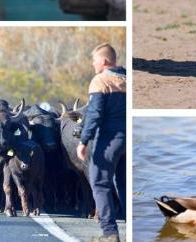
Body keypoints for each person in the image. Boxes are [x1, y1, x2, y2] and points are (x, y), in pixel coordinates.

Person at [76, 43, 127, 242]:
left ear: (104, 61)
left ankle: (110, 233)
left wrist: (83, 140)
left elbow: (95, 115)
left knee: (100, 183)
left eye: (95, 60)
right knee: (124, 184)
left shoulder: (100, 80)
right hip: (129, 138)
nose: (93, 64)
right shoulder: (129, 78)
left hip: (109, 139)